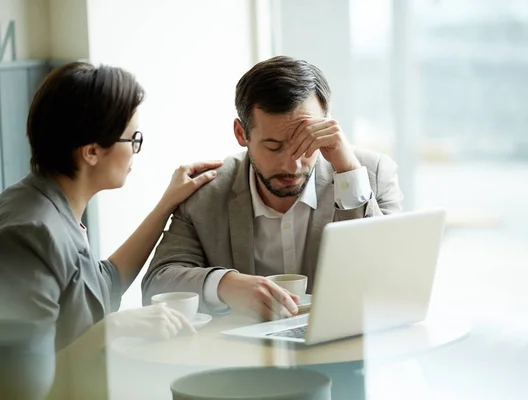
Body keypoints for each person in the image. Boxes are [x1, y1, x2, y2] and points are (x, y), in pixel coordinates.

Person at [0, 62, 222, 399]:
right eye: (132, 138)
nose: (136, 149)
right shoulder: (29, 233)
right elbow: (23, 383)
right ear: (91, 152)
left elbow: (102, 284)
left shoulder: (51, 206)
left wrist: (166, 205)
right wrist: (113, 328)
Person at [142, 55, 403, 321]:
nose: (292, 164)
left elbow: (393, 281)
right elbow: (157, 284)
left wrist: (348, 174)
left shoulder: (371, 175)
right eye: (273, 146)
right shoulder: (206, 190)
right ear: (241, 134)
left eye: (306, 142)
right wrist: (225, 284)